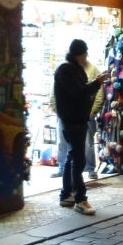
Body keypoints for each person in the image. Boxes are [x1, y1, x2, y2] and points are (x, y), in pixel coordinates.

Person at [53, 39, 106, 214]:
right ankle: (80, 199)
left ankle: (66, 195)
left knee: (72, 156)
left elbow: (81, 90)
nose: (87, 56)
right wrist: (97, 83)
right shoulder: (66, 69)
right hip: (73, 120)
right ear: (79, 53)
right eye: (85, 52)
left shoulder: (74, 68)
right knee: (78, 159)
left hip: (77, 119)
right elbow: (78, 92)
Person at [50, 58, 104, 180]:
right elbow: (54, 92)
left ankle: (89, 168)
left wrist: (93, 111)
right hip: (65, 114)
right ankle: (62, 168)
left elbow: (99, 93)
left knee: (88, 142)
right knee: (62, 141)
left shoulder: (93, 69)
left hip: (85, 115)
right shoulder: (64, 69)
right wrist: (58, 110)